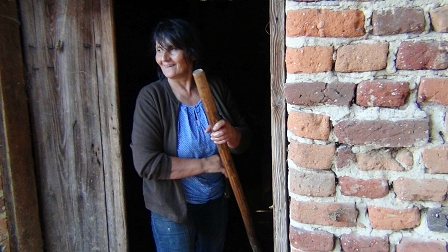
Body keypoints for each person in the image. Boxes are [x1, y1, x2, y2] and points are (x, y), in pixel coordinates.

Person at [130, 18, 252, 252]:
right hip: (173, 208)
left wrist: (232, 134)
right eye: (158, 50)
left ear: (191, 52)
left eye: (172, 49)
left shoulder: (214, 87)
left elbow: (244, 140)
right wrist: (207, 164)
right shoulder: (151, 98)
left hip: (215, 200)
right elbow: (146, 164)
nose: (163, 58)